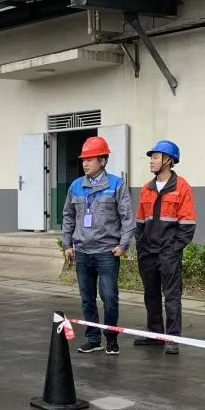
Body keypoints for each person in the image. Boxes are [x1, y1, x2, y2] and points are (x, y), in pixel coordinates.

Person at [62, 136, 135, 355]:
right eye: (83, 160)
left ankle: (111, 338)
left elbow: (127, 217)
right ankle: (93, 339)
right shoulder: (76, 186)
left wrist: (123, 245)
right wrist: (67, 244)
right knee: (87, 299)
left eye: (90, 159)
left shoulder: (116, 185)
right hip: (82, 252)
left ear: (102, 160)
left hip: (106, 252)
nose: (85, 163)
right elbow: (68, 216)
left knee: (109, 297)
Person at [133, 140, 196, 355]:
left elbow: (188, 225)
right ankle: (154, 334)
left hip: (168, 253)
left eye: (156, 157)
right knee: (150, 295)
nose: (151, 161)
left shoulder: (182, 187)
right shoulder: (147, 188)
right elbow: (140, 222)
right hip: (147, 252)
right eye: (151, 157)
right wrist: (140, 245)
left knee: (171, 296)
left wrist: (173, 249)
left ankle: (172, 338)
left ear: (168, 160)